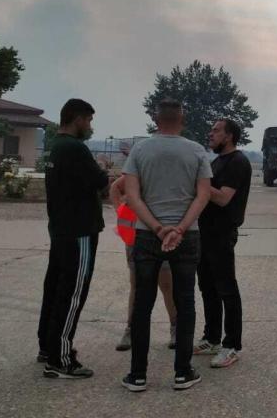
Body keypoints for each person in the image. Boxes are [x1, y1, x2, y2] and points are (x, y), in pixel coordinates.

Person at [120, 99, 212, 392]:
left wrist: (158, 228)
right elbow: (203, 195)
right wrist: (181, 228)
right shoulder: (196, 150)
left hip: (147, 235)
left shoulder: (140, 150)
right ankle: (183, 372)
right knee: (185, 302)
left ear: (155, 120)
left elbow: (131, 197)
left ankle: (137, 375)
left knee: (143, 303)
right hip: (186, 236)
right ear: (182, 119)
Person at [38, 98, 108, 379]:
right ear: (77, 119)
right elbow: (101, 183)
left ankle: (47, 345)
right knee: (72, 293)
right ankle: (60, 359)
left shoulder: (57, 147)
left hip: (61, 229)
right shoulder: (75, 148)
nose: (90, 126)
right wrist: (103, 168)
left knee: (55, 289)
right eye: (89, 120)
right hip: (79, 232)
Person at [193, 119, 252, 368]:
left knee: (227, 289)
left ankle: (232, 345)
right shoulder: (217, 161)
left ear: (229, 136)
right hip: (204, 233)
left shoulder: (237, 162)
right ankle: (212, 338)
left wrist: (200, 184)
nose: (211, 133)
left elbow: (224, 199)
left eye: (216, 130)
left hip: (222, 233)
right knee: (208, 288)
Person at [109, 174, 178, 351]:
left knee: (167, 285)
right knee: (138, 285)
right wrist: (120, 211)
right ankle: (131, 329)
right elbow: (116, 187)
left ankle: (175, 328)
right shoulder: (141, 162)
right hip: (137, 236)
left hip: (162, 234)